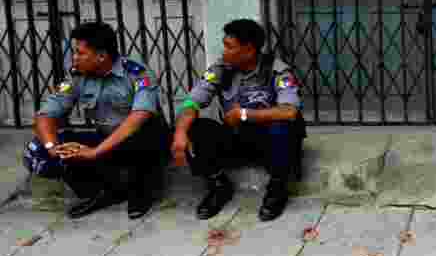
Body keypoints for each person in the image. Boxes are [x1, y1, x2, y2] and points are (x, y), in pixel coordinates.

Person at [23, 21, 168, 220]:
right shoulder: (77, 76)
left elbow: (138, 117)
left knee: (142, 132)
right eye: (74, 52)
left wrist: (95, 152)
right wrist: (52, 147)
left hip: (141, 141)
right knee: (39, 149)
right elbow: (45, 115)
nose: (74, 58)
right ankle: (103, 192)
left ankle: (142, 191)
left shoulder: (136, 73)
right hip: (107, 139)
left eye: (80, 53)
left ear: (101, 56)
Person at [171, 19, 304, 222]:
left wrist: (243, 114)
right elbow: (192, 102)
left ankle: (277, 189)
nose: (224, 52)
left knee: (285, 125)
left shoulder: (277, 70)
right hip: (235, 138)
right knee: (195, 126)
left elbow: (290, 111)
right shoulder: (221, 69)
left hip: (268, 141)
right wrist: (180, 133)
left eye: (229, 47)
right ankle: (218, 187)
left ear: (249, 49)